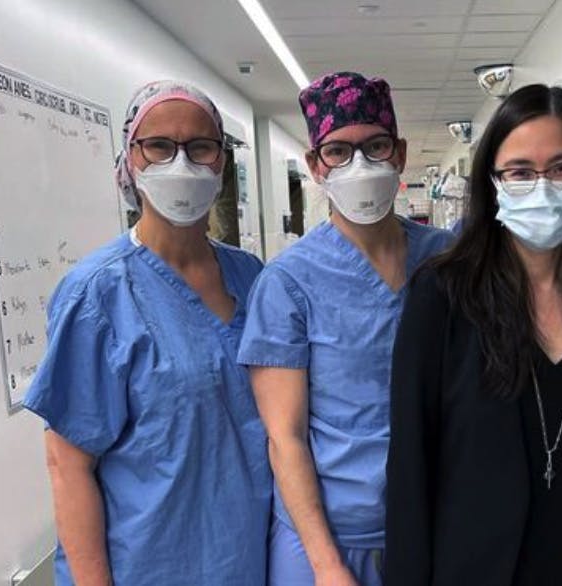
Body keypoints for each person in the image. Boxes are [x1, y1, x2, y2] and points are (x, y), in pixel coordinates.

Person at [385, 84, 562, 585]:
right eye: (521, 172)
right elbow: (410, 471)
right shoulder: (442, 297)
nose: (543, 186)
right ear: (493, 184)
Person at [23, 81, 271, 585]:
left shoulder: (253, 277)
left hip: (249, 558)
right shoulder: (97, 294)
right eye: (159, 146)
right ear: (129, 160)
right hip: (150, 565)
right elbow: (67, 468)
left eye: (200, 146)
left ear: (221, 161)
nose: (181, 164)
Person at [237, 72, 453, 586]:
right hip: (329, 539)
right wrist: (327, 566)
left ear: (399, 153)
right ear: (315, 165)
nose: (360, 164)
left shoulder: (446, 259)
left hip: (431, 521)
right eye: (338, 151)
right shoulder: (288, 283)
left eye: (375, 146)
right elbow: (285, 437)